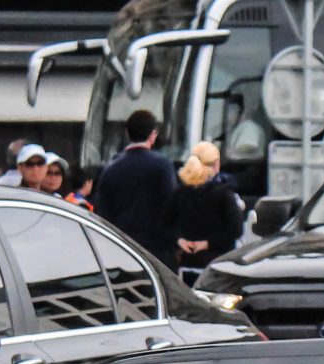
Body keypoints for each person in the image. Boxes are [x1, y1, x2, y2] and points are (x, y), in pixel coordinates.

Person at [93, 109, 180, 265]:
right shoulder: (163, 165)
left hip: (123, 249)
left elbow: (104, 213)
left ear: (127, 133)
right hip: (157, 250)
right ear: (153, 135)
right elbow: (171, 207)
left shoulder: (110, 169)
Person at [171, 141, 246, 269]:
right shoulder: (224, 193)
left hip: (186, 263)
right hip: (217, 264)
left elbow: (166, 224)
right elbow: (236, 230)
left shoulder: (181, 191)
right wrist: (207, 244)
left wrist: (179, 241)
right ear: (216, 164)